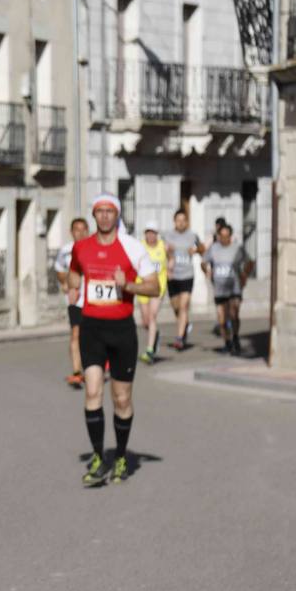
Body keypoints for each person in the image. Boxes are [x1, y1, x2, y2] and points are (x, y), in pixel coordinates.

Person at [66, 194, 160, 487]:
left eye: (110, 211)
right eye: (100, 212)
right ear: (94, 215)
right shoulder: (81, 248)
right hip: (92, 328)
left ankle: (119, 455)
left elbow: (155, 287)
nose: (105, 216)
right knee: (92, 391)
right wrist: (72, 290)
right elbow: (73, 273)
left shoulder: (132, 248)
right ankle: (97, 456)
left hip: (121, 330)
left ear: (116, 215)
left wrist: (127, 285)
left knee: (121, 398)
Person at [203, 222, 252, 356]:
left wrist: (244, 275)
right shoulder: (213, 249)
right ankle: (227, 342)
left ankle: (235, 336)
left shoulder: (237, 248)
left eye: (227, 236)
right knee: (222, 318)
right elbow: (203, 262)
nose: (224, 239)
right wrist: (207, 272)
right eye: (222, 236)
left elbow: (250, 262)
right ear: (218, 236)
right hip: (219, 289)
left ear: (231, 236)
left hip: (234, 288)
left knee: (234, 314)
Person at [54, 217, 90, 388]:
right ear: (71, 232)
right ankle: (77, 372)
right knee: (75, 333)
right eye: (77, 229)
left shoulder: (93, 249)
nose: (80, 233)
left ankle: (92, 366)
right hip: (74, 299)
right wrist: (65, 282)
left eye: (83, 229)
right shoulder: (66, 251)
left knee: (89, 335)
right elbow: (59, 269)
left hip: (92, 299)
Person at [163, 209, 204, 350]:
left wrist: (196, 250)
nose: (180, 223)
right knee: (175, 307)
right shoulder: (167, 236)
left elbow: (202, 248)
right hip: (172, 276)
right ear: (174, 221)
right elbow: (159, 250)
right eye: (178, 220)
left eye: (183, 220)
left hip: (187, 275)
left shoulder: (193, 236)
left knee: (183, 306)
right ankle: (185, 324)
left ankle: (180, 338)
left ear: (186, 222)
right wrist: (166, 251)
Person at [136, 221, 168, 365]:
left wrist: (171, 266)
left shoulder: (164, 247)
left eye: (153, 233)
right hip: (142, 287)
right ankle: (155, 335)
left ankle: (149, 350)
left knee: (152, 316)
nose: (150, 235)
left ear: (157, 234)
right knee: (145, 321)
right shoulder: (139, 246)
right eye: (147, 232)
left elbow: (171, 258)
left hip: (157, 287)